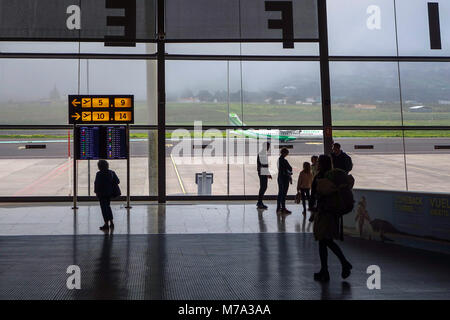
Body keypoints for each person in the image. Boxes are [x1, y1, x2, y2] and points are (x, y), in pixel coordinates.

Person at [310, 154, 352, 282]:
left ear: (321, 164)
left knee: (325, 241)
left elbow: (314, 194)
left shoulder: (320, 177)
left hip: (324, 212)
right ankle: (325, 270)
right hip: (333, 212)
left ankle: (343, 263)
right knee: (324, 242)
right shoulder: (334, 176)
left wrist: (312, 208)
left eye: (319, 163)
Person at [94, 160, 120, 231]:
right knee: (108, 207)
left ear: (99, 167)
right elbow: (118, 181)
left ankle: (106, 224)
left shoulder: (99, 174)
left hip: (102, 194)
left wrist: (96, 192)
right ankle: (111, 222)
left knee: (104, 208)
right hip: (109, 193)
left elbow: (97, 184)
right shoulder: (112, 172)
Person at [276, 148, 293, 214]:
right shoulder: (284, 161)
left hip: (280, 177)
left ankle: (278, 207)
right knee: (284, 194)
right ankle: (283, 208)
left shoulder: (279, 160)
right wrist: (289, 175)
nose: (287, 154)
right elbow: (289, 168)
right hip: (284, 178)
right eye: (287, 153)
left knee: (280, 193)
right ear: (284, 153)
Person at [257, 142, 272, 209]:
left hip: (262, 172)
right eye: (268, 146)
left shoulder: (262, 153)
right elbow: (264, 165)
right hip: (263, 172)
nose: (269, 148)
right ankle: (259, 202)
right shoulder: (262, 153)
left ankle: (259, 202)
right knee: (263, 187)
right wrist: (268, 173)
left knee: (263, 187)